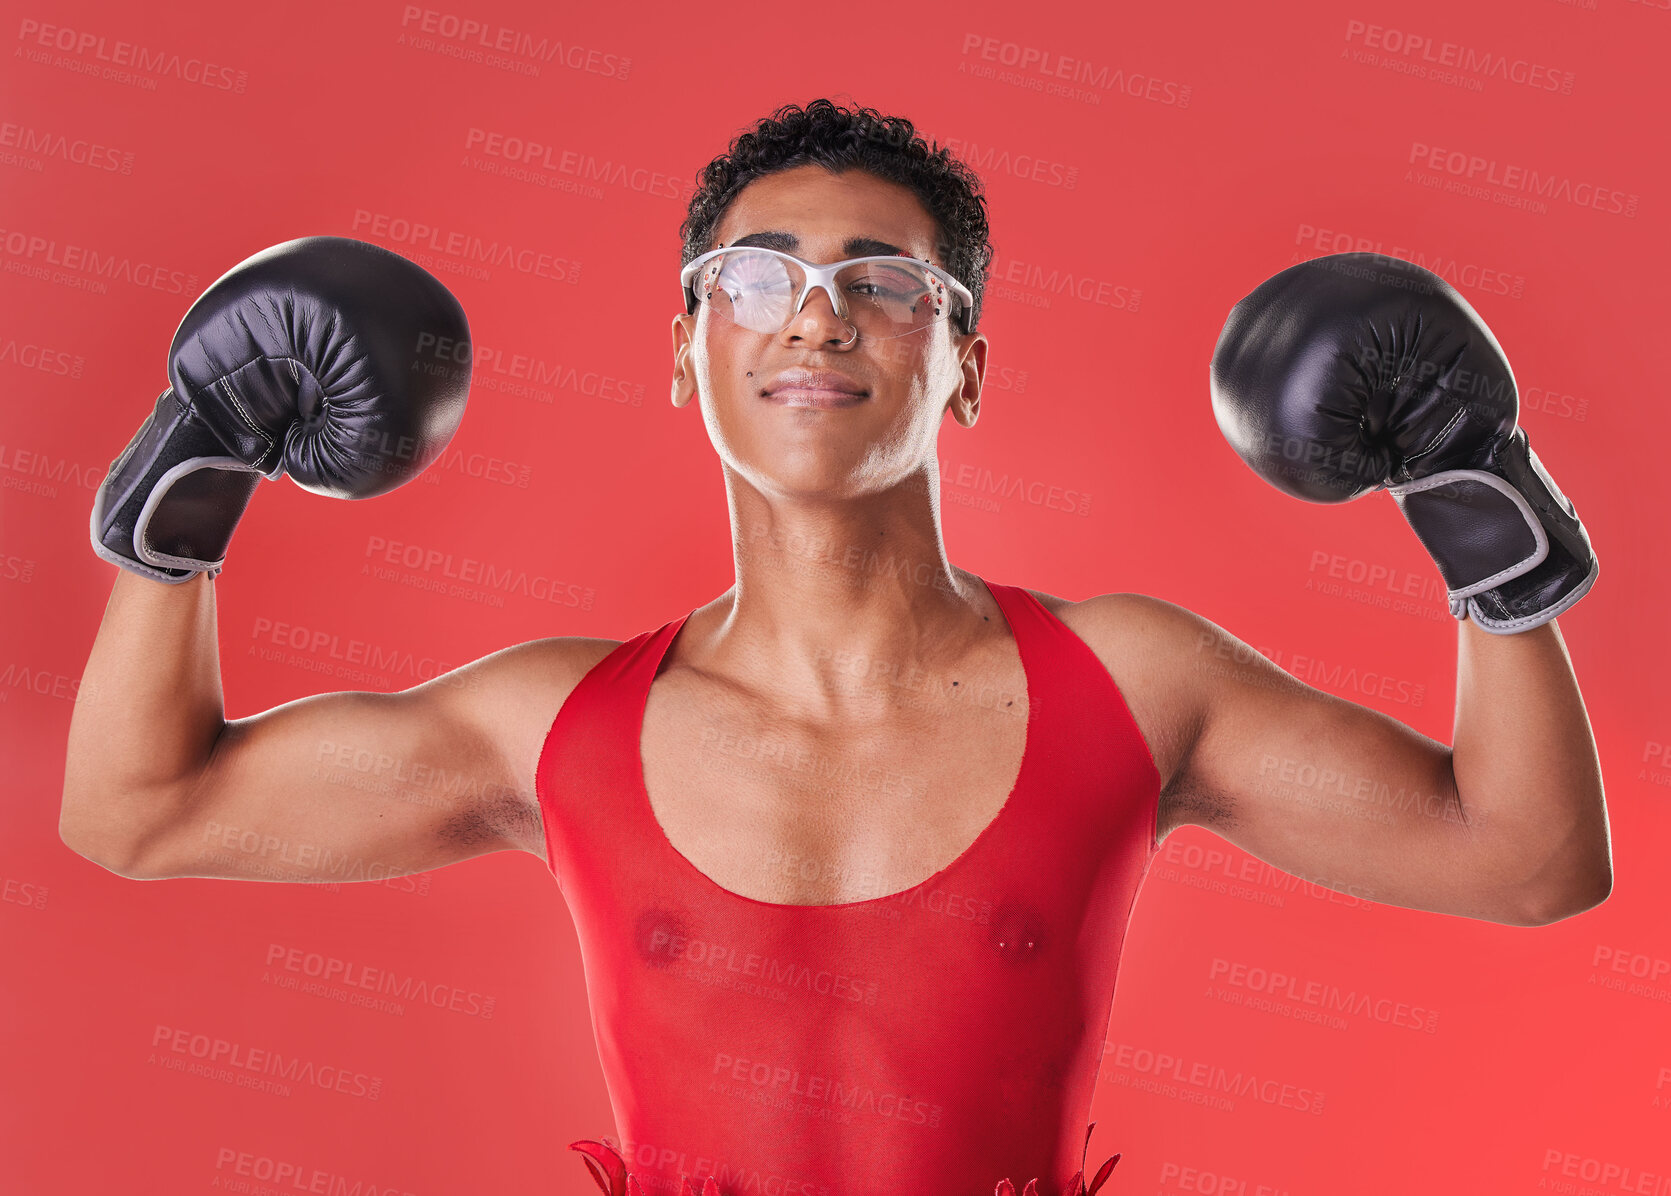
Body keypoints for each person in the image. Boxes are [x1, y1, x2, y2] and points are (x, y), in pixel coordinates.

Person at [60, 99, 1612, 1196]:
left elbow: (1528, 858)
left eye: (883, 280)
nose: (816, 318)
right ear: (688, 350)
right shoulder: (555, 726)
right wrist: (190, 479)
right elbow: (140, 810)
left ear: (966, 362)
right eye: (755, 277)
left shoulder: (1135, 687)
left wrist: (1478, 503)